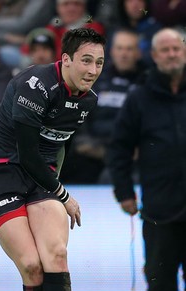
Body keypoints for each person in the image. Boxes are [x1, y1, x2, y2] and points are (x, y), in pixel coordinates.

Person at [0, 27, 105, 291]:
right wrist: (64, 196)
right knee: (32, 267)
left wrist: (54, 187)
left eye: (100, 63)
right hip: (1, 174)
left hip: (41, 178)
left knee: (57, 255)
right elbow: (28, 155)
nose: (93, 70)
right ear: (65, 60)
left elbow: (57, 148)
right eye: (86, 61)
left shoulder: (88, 102)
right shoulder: (35, 85)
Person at [109, 28, 186, 291]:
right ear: (153, 56)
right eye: (164, 50)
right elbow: (119, 148)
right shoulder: (139, 98)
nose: (171, 54)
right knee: (159, 280)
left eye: (176, 49)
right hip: (159, 208)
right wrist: (124, 191)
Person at [60, 29, 145, 184]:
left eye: (129, 49)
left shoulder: (147, 83)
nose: (123, 54)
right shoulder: (95, 78)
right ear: (112, 52)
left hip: (132, 153)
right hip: (95, 149)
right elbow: (79, 114)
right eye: (119, 48)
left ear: (139, 53)